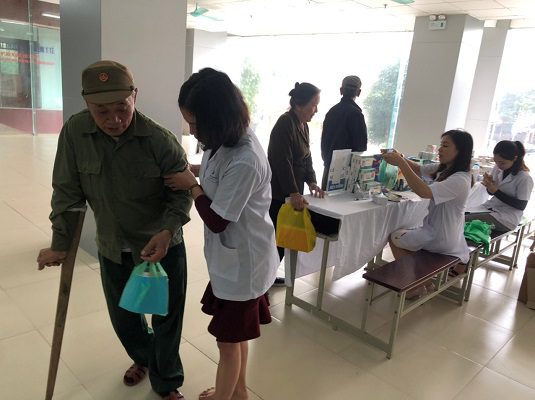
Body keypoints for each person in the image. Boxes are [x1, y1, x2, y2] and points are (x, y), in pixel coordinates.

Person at [36, 60, 191, 400]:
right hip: (112, 246)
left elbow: (181, 194)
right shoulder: (75, 133)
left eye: (122, 108)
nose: (114, 119)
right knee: (124, 317)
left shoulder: (159, 140)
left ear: (135, 96)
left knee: (166, 318)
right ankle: (144, 357)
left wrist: (167, 230)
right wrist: (60, 242)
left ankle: (166, 382)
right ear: (86, 103)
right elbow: (67, 192)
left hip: (161, 247)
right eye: (101, 111)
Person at [164, 68, 279, 400]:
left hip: (244, 265)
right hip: (232, 260)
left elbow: (217, 220)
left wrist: (192, 186)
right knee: (236, 337)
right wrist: (194, 171)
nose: (192, 130)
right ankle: (238, 392)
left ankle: (224, 397)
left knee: (227, 344)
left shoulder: (246, 158)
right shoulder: (224, 139)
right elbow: (217, 172)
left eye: (196, 123)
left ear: (217, 118)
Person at [382, 129, 473, 297]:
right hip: (446, 234)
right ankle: (423, 280)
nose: (440, 149)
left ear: (460, 151)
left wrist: (401, 163)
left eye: (445, 145)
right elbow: (419, 169)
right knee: (408, 231)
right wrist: (400, 157)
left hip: (440, 238)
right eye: (441, 145)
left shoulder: (459, 179)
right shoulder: (446, 169)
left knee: (394, 236)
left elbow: (424, 192)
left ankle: (415, 284)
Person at [267, 82, 325, 285]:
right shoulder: (285, 123)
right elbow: (281, 161)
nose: (316, 110)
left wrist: (312, 181)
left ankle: (267, 277)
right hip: (279, 192)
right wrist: (293, 191)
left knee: (283, 238)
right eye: (313, 105)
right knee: (275, 238)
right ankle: (261, 281)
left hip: (293, 190)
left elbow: (306, 157)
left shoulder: (303, 125)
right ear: (299, 105)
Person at [465, 140, 533, 232]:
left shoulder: (524, 178)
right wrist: (489, 185)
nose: (498, 165)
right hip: (491, 208)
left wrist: (495, 191)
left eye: (502, 163)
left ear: (514, 158)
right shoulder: (498, 168)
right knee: (462, 214)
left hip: (507, 218)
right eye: (496, 162)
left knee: (463, 220)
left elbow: (521, 205)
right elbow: (491, 193)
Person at [320, 75, 368, 190]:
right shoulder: (356, 114)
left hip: (329, 167)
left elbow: (324, 143)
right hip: (346, 172)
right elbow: (361, 146)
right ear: (359, 92)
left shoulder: (331, 112)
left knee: (325, 199)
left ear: (341, 90)